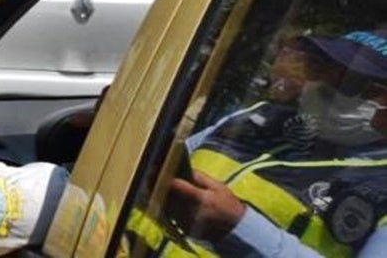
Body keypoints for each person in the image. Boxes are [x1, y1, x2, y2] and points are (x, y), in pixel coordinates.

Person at [154, 29, 387, 256]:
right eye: (320, 68)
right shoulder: (259, 118)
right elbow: (164, 163)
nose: (325, 85)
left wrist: (239, 227)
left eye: (351, 81)